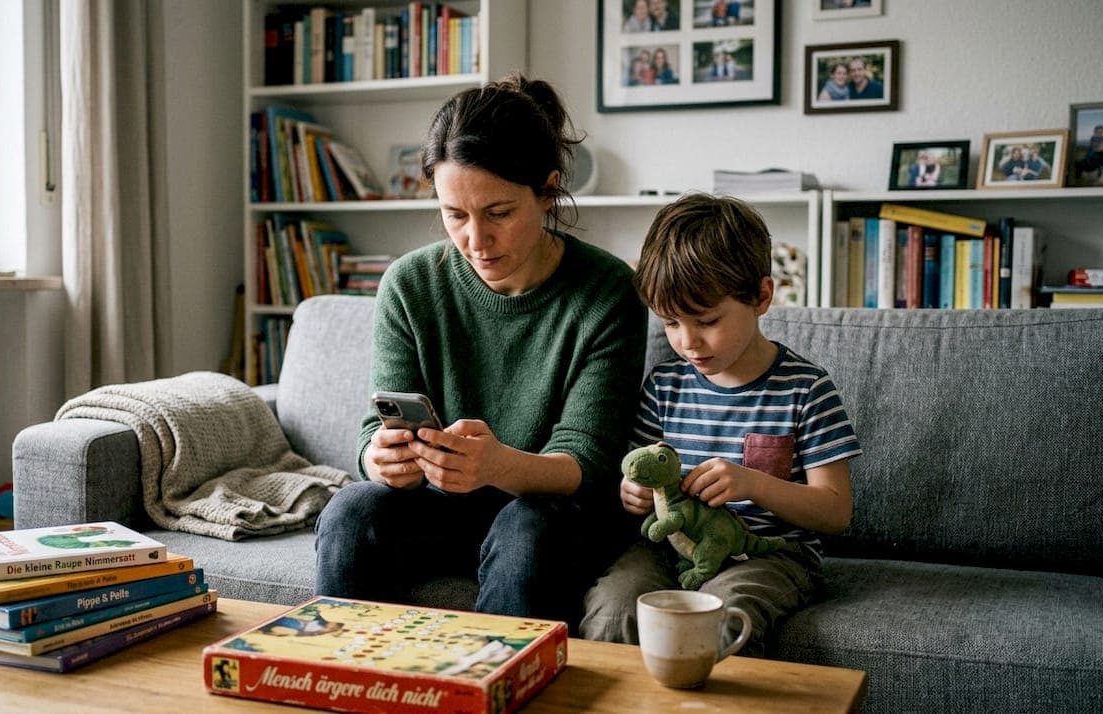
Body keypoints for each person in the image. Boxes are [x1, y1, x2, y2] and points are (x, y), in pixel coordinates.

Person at [313, 75, 648, 630]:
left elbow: (587, 462)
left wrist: (495, 465)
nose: (475, 241)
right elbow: (378, 424)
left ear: (547, 190)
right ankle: (350, 686)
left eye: (498, 213)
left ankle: (496, 692)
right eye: (455, 215)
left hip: (551, 511)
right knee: (351, 509)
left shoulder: (607, 291)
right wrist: (379, 455)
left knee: (527, 529)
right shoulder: (409, 285)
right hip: (438, 507)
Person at [579, 193, 862, 654]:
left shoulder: (806, 389)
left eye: (707, 320)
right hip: (668, 546)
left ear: (762, 297)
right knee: (613, 610)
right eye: (670, 323)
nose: (687, 341)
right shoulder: (665, 385)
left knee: (724, 615)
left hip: (770, 556)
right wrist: (630, 493)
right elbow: (638, 469)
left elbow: (835, 511)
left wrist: (754, 483)